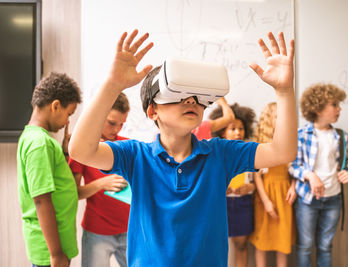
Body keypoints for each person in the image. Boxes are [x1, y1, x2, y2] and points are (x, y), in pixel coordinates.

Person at [69, 29, 297, 266]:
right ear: (152, 111)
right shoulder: (136, 156)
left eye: (197, 96)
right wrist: (112, 85)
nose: (191, 101)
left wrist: (284, 91)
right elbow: (81, 150)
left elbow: (283, 151)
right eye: (177, 94)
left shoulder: (221, 154)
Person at [16, 72, 81, 267]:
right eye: (69, 114)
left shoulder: (36, 138)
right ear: (55, 106)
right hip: (50, 250)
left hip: (52, 246)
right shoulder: (39, 143)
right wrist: (56, 254)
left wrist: (65, 152)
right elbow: (41, 200)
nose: (68, 122)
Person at [288, 83, 348, 267]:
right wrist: (310, 175)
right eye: (334, 104)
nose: (339, 108)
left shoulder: (342, 136)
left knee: (325, 246)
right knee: (305, 246)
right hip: (307, 201)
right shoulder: (302, 135)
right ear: (318, 108)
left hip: (333, 199)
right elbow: (292, 165)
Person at [68, 92, 130, 267]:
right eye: (112, 123)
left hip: (129, 229)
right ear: (100, 116)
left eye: (121, 124)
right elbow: (74, 192)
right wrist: (101, 183)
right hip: (97, 231)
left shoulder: (127, 145)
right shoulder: (83, 150)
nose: (116, 130)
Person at [209, 103, 256, 267]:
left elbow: (255, 181)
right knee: (217, 245)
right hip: (221, 205)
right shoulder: (214, 152)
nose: (238, 132)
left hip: (243, 204)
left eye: (241, 128)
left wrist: (250, 188)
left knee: (241, 244)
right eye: (233, 128)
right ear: (222, 131)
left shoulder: (250, 151)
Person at [249, 102, 296, 267]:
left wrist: (293, 186)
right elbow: (257, 176)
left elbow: (296, 168)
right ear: (268, 119)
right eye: (277, 117)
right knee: (262, 239)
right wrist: (267, 202)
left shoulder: (289, 141)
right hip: (265, 196)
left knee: (282, 241)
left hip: (284, 195)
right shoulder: (261, 144)